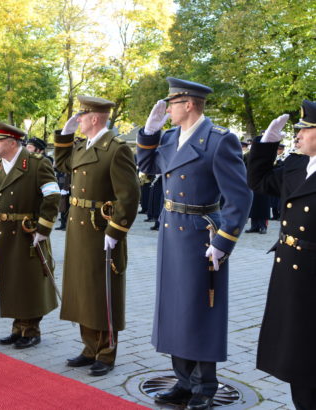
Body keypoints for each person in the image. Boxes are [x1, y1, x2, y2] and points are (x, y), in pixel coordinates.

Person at [136, 78, 252, 410]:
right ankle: (183, 381)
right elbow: (146, 167)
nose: (166, 109)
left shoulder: (219, 141)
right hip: (172, 232)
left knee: (200, 309)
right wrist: (149, 134)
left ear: (189, 104)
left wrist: (223, 241)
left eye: (171, 104)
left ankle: (205, 386)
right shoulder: (171, 137)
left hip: (201, 235)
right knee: (175, 308)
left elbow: (239, 198)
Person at [54, 96, 140, 377]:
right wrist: (65, 136)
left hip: (99, 229)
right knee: (83, 290)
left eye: (81, 115)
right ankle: (89, 347)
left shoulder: (116, 150)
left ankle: (106, 352)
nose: (78, 119)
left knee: (103, 291)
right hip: (79, 229)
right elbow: (63, 164)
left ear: (94, 118)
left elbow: (129, 196)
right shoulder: (83, 145)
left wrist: (116, 230)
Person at [248, 100, 316, 410]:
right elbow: (258, 181)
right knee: (294, 354)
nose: (298, 135)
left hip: (312, 275)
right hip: (289, 271)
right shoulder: (296, 165)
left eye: (305, 129)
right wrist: (266, 145)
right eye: (297, 130)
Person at [0, 121, 59, 349]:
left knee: (30, 282)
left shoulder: (36, 164)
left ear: (12, 142)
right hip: (4, 234)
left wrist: (44, 227)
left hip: (28, 232)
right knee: (12, 282)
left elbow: (52, 196)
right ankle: (18, 328)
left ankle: (31, 329)